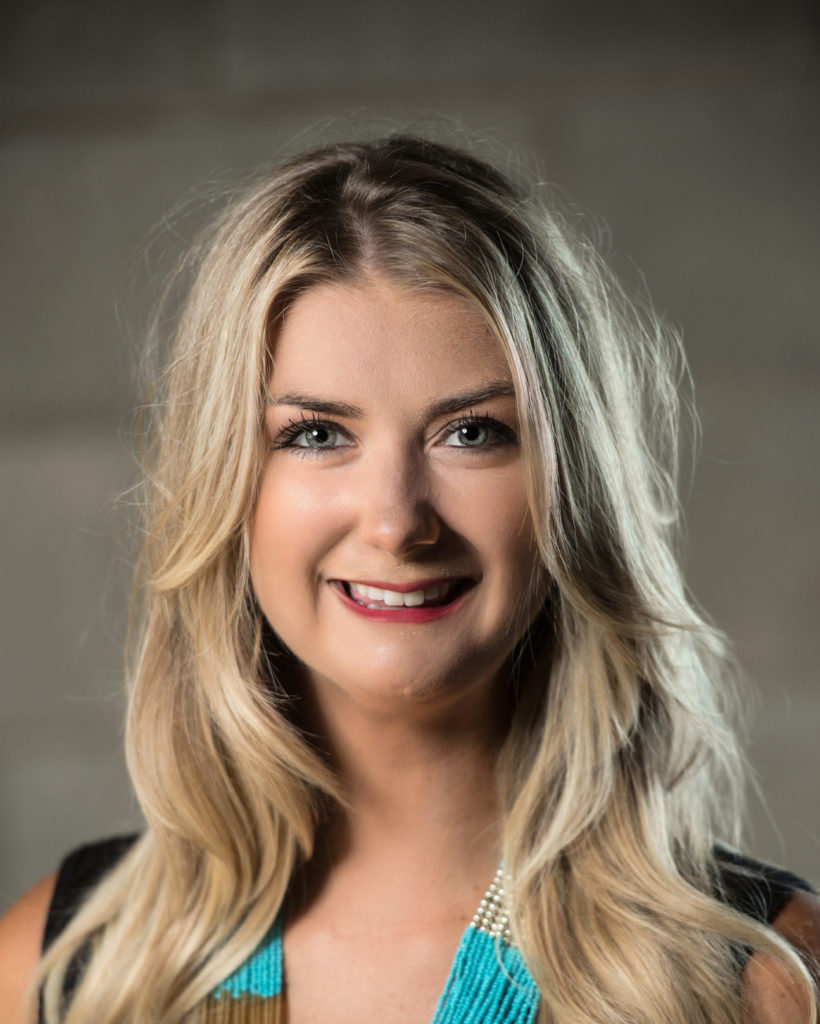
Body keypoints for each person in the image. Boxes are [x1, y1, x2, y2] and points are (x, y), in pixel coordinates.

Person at [0, 135, 817, 1024]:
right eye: (317, 434)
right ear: (226, 487)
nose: (396, 522)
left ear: (573, 486)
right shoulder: (55, 966)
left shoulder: (766, 983)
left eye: (472, 432)